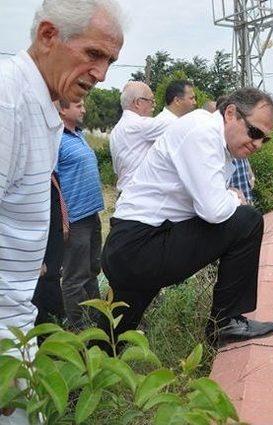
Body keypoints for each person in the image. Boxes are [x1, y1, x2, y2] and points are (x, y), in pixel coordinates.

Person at [0, 0, 123, 421]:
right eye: (93, 54)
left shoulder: (41, 107)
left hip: (16, 322)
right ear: (48, 35)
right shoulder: (7, 103)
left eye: (109, 60)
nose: (102, 73)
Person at [100, 87, 273, 350]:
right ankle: (225, 322)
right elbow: (214, 210)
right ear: (231, 113)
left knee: (108, 339)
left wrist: (226, 195)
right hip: (140, 245)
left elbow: (210, 200)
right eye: (254, 132)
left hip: (136, 243)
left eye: (265, 139)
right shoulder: (203, 132)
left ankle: (76, 386)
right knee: (247, 221)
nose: (258, 144)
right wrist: (234, 198)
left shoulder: (213, 139)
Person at [56, 99, 104, 330]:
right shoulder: (56, 139)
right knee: (75, 277)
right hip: (75, 220)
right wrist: (62, 218)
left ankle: (96, 323)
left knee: (93, 269)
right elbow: (51, 182)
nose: (84, 109)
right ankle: (79, 328)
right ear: (63, 110)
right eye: (79, 105)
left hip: (91, 214)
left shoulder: (78, 134)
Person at [109, 81, 172, 192]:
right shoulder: (139, 125)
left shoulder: (117, 129)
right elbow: (176, 125)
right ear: (138, 102)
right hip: (136, 194)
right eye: (151, 101)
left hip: (125, 191)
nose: (154, 105)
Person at [31, 172, 68, 342]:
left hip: (53, 241)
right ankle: (46, 339)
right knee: (42, 291)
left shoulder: (49, 171)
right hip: (37, 251)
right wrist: (35, 255)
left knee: (51, 282)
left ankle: (57, 329)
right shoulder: (29, 174)